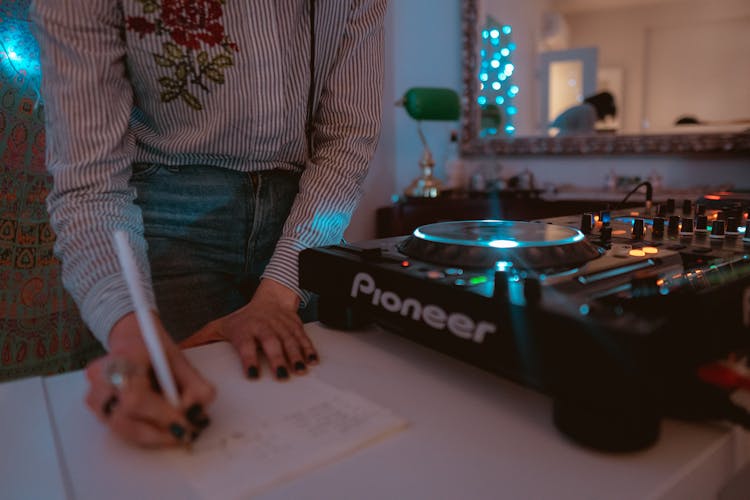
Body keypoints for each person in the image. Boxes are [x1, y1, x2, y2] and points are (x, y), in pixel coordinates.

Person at [31, 0, 387, 447]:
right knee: (176, 429)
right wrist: (131, 333)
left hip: (302, 217)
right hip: (161, 217)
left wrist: (280, 292)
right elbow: (90, 184)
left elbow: (348, 137)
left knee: (313, 434)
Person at [550, 91, 616, 136]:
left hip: (565, 138)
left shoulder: (586, 108)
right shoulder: (588, 110)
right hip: (566, 141)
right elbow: (586, 133)